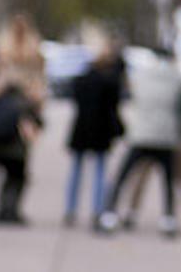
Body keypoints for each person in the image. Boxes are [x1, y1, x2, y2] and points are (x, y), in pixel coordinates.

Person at [99, 45, 181, 236]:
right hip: (166, 136)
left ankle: (110, 212)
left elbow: (131, 95)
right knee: (167, 179)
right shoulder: (177, 77)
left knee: (123, 176)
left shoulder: (140, 75)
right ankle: (168, 218)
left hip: (141, 134)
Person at [0, 14, 45, 226]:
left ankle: (9, 208)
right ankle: (7, 208)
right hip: (11, 121)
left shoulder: (31, 58)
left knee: (18, 168)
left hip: (22, 117)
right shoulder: (4, 62)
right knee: (12, 167)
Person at [62, 25, 124, 231]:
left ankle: (71, 209)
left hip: (83, 129)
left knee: (78, 170)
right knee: (98, 171)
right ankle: (97, 210)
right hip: (100, 130)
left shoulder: (83, 78)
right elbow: (115, 106)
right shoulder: (110, 81)